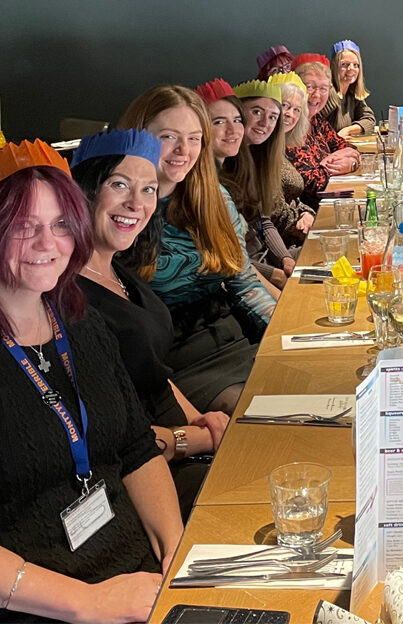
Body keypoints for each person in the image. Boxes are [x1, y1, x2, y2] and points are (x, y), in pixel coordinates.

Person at [0, 139, 182, 623]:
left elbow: (136, 450)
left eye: (61, 224)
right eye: (23, 227)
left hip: (129, 581)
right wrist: (90, 603)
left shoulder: (80, 322)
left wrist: (175, 554)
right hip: (29, 606)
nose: (48, 243)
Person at [71, 129, 229, 521]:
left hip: (181, 443)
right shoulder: (68, 295)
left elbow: (154, 375)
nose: (135, 203)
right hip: (137, 477)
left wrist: (200, 419)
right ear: (84, 192)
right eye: (119, 184)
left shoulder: (119, 272)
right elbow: (106, 435)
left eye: (147, 190)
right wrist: (195, 438)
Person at [117, 85, 274, 414]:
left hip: (231, 338)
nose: (182, 150)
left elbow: (244, 283)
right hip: (173, 363)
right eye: (168, 137)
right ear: (136, 136)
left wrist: (286, 336)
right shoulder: (115, 209)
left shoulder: (213, 197)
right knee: (265, 416)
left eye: (193, 138)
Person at [201, 78, 297, 290]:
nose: (265, 123)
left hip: (266, 261)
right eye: (256, 112)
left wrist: (285, 260)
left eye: (236, 120)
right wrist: (274, 274)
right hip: (244, 276)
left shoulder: (245, 162)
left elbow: (263, 221)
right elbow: (223, 256)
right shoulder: (202, 182)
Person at [288, 54, 361, 208]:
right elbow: (312, 184)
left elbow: (348, 148)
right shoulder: (288, 127)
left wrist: (350, 163)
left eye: (323, 88)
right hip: (309, 214)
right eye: (310, 87)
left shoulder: (316, 120)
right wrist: (337, 164)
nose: (316, 95)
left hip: (330, 203)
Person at [268, 71, 317, 247]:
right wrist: (304, 223)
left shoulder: (278, 146)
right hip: (285, 243)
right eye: (285, 106)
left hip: (295, 234)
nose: (290, 114)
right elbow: (273, 210)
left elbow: (291, 197)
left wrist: (307, 213)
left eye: (296, 109)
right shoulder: (261, 151)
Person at [324, 39, 375, 138]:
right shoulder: (327, 92)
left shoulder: (352, 93)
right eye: (345, 64)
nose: (351, 68)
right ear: (334, 67)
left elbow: (370, 120)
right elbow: (313, 125)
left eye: (356, 65)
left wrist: (347, 130)